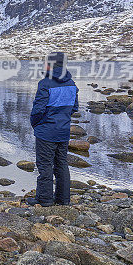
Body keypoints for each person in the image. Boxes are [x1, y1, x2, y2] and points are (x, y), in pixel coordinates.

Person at [28, 52, 79, 206]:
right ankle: (63, 199)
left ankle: (44, 199)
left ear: (50, 65)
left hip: (46, 132)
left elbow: (38, 110)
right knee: (61, 164)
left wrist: (36, 124)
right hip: (63, 131)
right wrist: (62, 118)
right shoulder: (72, 84)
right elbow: (74, 107)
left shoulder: (45, 83)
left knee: (45, 166)